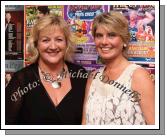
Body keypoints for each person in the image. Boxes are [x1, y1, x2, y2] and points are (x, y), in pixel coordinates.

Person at [6, 14, 87, 125]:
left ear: (67, 43)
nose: (53, 46)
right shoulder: (21, 80)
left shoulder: (81, 75)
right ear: (36, 44)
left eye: (59, 39)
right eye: (45, 40)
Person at [82, 12, 155, 125]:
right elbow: (85, 123)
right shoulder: (93, 77)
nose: (104, 42)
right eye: (99, 35)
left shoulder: (138, 76)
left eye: (111, 35)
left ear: (124, 40)